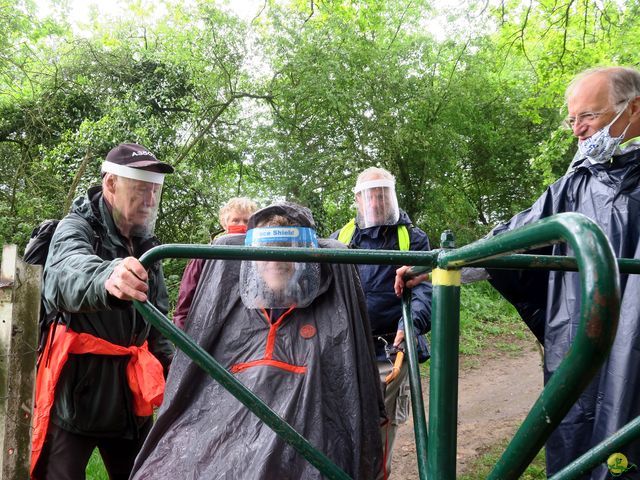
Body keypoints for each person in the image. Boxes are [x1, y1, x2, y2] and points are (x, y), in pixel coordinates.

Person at [397, 66, 640, 479]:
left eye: (589, 117)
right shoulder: (576, 183)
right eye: (572, 119)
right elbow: (511, 239)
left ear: (633, 108)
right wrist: (438, 265)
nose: (578, 131)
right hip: (580, 339)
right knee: (576, 434)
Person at [130, 202, 384, 479]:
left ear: (305, 258)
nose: (275, 261)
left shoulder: (332, 315)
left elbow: (342, 402)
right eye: (266, 253)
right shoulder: (228, 311)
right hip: (228, 436)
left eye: (285, 251)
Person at [31, 143, 175, 480]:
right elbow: (66, 273)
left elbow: (158, 325)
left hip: (130, 395)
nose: (150, 201)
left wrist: (175, 376)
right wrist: (108, 277)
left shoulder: (146, 246)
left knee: (144, 474)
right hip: (77, 392)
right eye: (141, 189)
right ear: (110, 184)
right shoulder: (75, 227)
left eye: (155, 191)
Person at [331, 167, 432, 480]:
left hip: (391, 349)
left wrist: (410, 324)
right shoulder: (341, 238)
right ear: (359, 200)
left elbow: (424, 289)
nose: (375, 200)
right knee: (341, 423)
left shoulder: (412, 238)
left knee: (382, 425)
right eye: (369, 194)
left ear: (391, 196)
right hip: (346, 347)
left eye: (381, 193)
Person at [173, 197, 258, 329]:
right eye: (235, 220)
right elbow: (186, 298)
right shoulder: (204, 254)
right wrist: (181, 333)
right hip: (208, 323)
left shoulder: (260, 255)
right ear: (225, 224)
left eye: (246, 221)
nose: (241, 225)